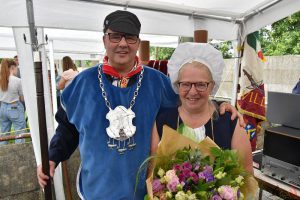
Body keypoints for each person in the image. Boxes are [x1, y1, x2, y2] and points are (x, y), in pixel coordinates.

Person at [37, 10, 242, 199]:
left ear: (138, 42)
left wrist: (219, 105)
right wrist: (53, 156)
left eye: (130, 37)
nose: (123, 43)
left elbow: (191, 101)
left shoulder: (158, 82)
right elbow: (67, 128)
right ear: (104, 40)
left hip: (145, 192)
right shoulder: (82, 84)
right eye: (115, 36)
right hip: (97, 190)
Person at [155, 43, 253, 173]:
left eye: (201, 84)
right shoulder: (162, 121)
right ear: (177, 85)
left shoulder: (231, 122)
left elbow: (246, 172)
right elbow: (153, 169)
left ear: (212, 86)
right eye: (186, 84)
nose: (193, 92)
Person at [0, 59, 26, 145]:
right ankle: (19, 156)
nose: (17, 70)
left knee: (4, 134)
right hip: (14, 107)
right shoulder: (17, 80)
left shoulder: (1, 79)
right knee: (20, 133)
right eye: (16, 68)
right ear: (12, 68)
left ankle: (2, 155)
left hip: (3, 108)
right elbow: (22, 98)